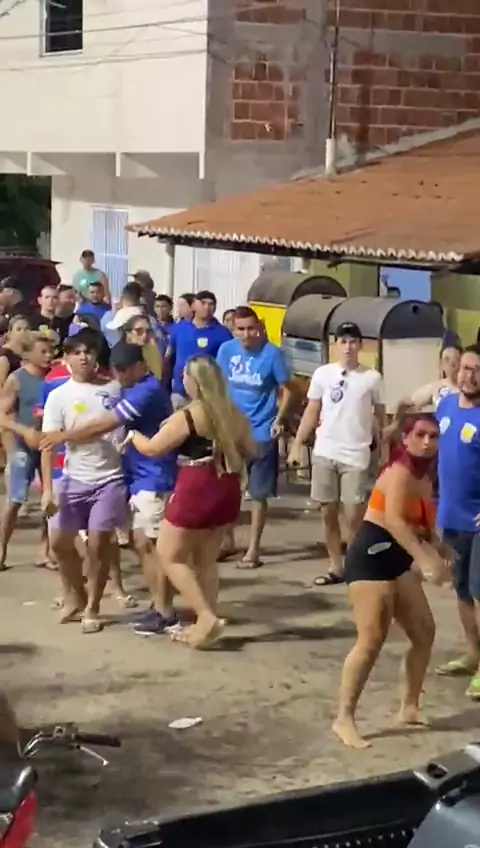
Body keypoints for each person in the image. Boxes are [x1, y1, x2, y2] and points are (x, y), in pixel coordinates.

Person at [42, 342, 178, 636]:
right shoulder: (128, 387)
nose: (121, 375)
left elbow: (106, 424)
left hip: (154, 476)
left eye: (126, 369)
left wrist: (62, 436)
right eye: (118, 370)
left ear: (140, 366)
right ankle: (159, 606)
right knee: (142, 544)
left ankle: (165, 611)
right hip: (137, 477)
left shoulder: (145, 390)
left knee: (152, 547)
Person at [333, 409, 450, 749]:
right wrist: (425, 560)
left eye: (433, 436)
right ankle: (344, 718)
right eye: (420, 435)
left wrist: (440, 548)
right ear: (405, 438)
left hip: (397, 559)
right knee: (371, 639)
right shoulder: (398, 472)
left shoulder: (425, 476)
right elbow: (395, 521)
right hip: (370, 559)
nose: (427, 442)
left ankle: (409, 707)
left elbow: (422, 525)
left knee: (424, 631)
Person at [126, 354, 254, 648]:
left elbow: (153, 448)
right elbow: (252, 448)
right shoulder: (233, 412)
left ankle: (206, 617)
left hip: (197, 484)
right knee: (205, 561)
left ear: (193, 381)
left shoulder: (189, 415)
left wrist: (133, 436)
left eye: (185, 375)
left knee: (170, 555)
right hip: (228, 485)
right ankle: (204, 624)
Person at [40, 333, 127, 633]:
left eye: (88, 352)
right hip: (73, 478)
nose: (83, 357)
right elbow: (48, 444)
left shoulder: (115, 389)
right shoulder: (58, 395)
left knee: (99, 543)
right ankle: (76, 595)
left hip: (110, 477)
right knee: (59, 544)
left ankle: (93, 607)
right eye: (76, 352)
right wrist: (48, 490)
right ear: (66, 357)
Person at [288, 322, 385, 586]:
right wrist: (297, 443)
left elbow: (380, 417)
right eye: (343, 341)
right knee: (327, 512)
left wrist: (383, 450)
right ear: (335, 344)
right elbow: (312, 410)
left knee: (353, 514)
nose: (348, 347)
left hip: (356, 453)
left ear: (360, 345)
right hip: (325, 450)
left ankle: (355, 563)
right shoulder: (323, 374)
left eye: (353, 341)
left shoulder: (372, 377)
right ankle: (335, 565)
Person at [217, 306, 294, 567]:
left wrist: (279, 419)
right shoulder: (226, 350)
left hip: (261, 430)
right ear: (234, 329)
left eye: (251, 328)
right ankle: (227, 541)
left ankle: (253, 549)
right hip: (231, 429)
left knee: (258, 493)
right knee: (228, 489)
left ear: (259, 326)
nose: (247, 334)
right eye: (241, 329)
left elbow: (288, 389)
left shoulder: (272, 354)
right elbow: (218, 385)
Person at [434, 345, 480, 698]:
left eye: (477, 370)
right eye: (465, 368)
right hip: (450, 518)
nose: (470, 375)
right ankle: (473, 655)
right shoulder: (445, 406)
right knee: (462, 590)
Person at [0, 332, 53, 569]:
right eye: (43, 352)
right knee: (15, 499)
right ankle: (2, 547)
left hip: (50, 446)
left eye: (50, 351)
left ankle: (44, 550)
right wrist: (23, 431)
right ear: (28, 354)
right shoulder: (17, 379)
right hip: (23, 446)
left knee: (51, 500)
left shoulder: (55, 378)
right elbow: (2, 415)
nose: (49, 356)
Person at [167, 291, 231, 410]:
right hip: (180, 392)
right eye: (203, 303)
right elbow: (170, 355)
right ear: (193, 306)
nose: (207, 307)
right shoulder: (179, 328)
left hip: (207, 394)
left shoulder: (223, 333)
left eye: (211, 304)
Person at [411, 345, 461, 410]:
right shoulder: (435, 387)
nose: (452, 363)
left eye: (456, 359)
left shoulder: (467, 389)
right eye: (447, 359)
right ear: (441, 364)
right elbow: (413, 400)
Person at [0, 315, 30, 388]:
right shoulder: (4, 357)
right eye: (19, 329)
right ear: (9, 333)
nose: (23, 332)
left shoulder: (28, 353)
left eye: (26, 329)